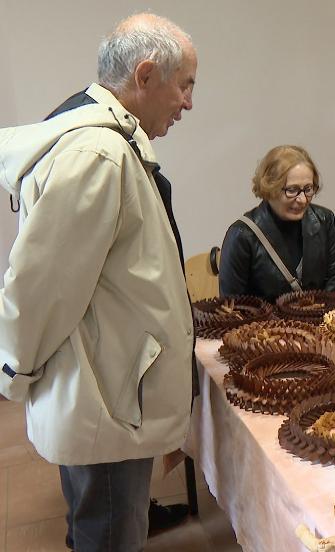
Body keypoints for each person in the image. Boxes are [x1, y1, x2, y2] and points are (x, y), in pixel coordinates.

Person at [0, 13, 197, 551]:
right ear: (147, 75)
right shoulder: (98, 154)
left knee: (97, 523)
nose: (188, 103)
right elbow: (40, 287)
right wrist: (15, 373)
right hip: (107, 403)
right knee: (108, 532)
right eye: (185, 86)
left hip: (106, 388)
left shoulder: (103, 140)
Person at [219, 145, 335, 302]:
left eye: (308, 189)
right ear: (270, 188)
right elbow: (232, 309)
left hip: (317, 324)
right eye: (292, 190)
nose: (303, 199)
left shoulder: (325, 220)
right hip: (262, 326)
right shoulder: (242, 235)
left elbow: (331, 289)